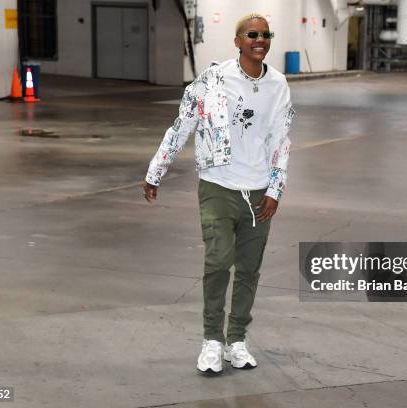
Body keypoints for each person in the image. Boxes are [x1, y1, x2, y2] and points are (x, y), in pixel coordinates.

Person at [142, 13, 295, 374]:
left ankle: (236, 340)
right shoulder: (212, 80)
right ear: (238, 41)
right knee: (218, 260)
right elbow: (181, 126)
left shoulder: (278, 85)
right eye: (252, 34)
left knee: (249, 269)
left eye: (266, 34)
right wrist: (155, 171)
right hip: (218, 186)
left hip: (258, 189)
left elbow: (280, 141)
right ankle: (212, 340)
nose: (260, 39)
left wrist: (275, 188)